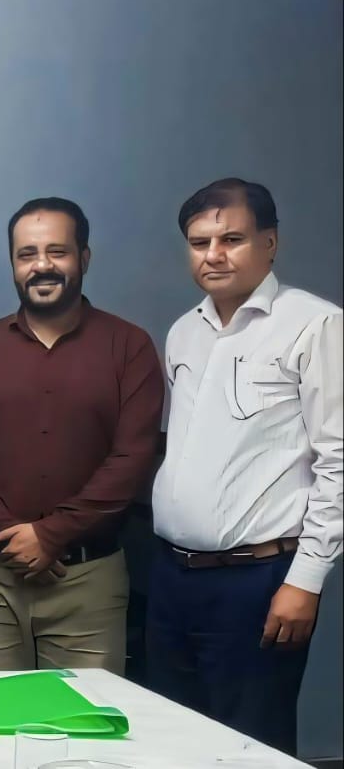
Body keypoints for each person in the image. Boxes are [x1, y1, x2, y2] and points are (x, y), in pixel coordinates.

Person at [149, 178, 341, 755]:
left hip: (258, 581)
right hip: (172, 575)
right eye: (199, 242)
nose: (213, 255)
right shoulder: (184, 331)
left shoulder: (315, 324)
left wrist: (305, 581)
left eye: (231, 239)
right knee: (172, 742)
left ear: (270, 243)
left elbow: (338, 460)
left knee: (251, 747)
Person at [0, 197, 164, 674]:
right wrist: (14, 539)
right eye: (27, 254)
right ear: (13, 264)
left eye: (57, 251)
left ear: (85, 257)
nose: (41, 265)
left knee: (84, 715)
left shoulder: (130, 346)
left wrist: (50, 534)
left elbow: (132, 458)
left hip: (88, 580)